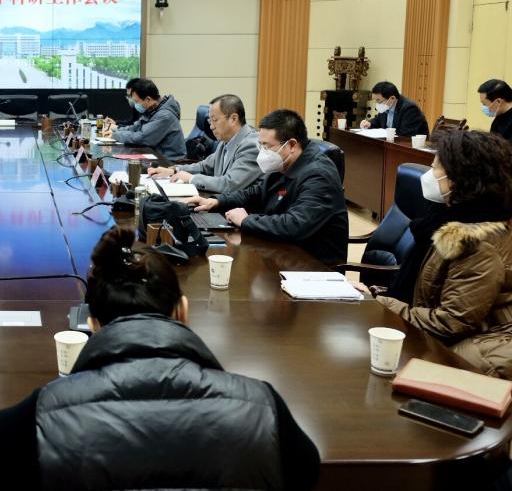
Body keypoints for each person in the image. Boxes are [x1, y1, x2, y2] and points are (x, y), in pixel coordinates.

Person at [0, 226, 320, 490]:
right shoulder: (261, 407)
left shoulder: (44, 413)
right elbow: (306, 472)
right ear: (182, 311)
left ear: (92, 325)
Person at [368, 131, 512, 378]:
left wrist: (381, 303)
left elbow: (450, 322)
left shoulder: (478, 245)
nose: (429, 175)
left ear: (460, 178)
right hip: (434, 338)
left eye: (435, 167)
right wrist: (373, 295)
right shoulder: (448, 221)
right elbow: (429, 293)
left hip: (465, 361)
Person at [190, 109, 348, 263]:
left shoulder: (319, 175)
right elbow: (256, 192)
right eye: (260, 145)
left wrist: (246, 220)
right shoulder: (284, 162)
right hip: (281, 250)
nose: (262, 153)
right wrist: (217, 201)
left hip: (313, 264)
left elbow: (295, 225)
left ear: (291, 145)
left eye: (267, 146)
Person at [148, 94, 260, 193]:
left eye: (215, 120)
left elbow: (230, 184)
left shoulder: (252, 145)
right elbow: (204, 166)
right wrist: (173, 170)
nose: (211, 127)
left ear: (233, 119)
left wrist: (191, 178)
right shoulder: (226, 140)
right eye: (210, 121)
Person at [106, 78, 186, 160]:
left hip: (168, 161)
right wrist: (115, 131)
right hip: (154, 155)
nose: (135, 105)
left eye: (136, 102)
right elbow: (135, 127)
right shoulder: (152, 110)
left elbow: (142, 138)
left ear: (148, 99)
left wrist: (115, 135)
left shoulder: (164, 116)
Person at [359, 81, 428, 137]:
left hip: (410, 146)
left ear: (392, 98)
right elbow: (378, 120)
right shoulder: (386, 106)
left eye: (378, 100)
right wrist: (369, 123)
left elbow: (405, 134)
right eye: (375, 100)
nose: (377, 104)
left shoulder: (409, 109)